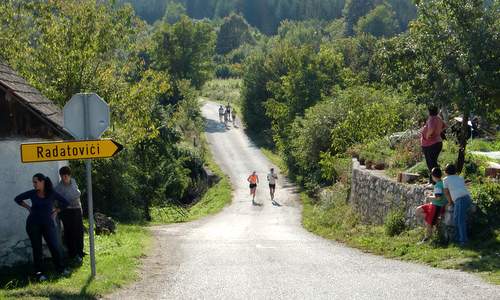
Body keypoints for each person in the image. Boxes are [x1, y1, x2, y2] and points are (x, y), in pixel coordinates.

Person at [14, 173, 70, 281]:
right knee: (37, 249)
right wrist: (28, 207)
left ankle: (60, 269)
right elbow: (17, 199)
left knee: (54, 246)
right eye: (33, 182)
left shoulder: (51, 193)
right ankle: (39, 274)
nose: (34, 184)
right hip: (33, 224)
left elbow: (65, 202)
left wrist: (56, 211)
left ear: (42, 181)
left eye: (35, 182)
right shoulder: (32, 193)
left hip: (48, 224)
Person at [55, 166, 85, 262]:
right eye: (63, 176)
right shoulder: (58, 188)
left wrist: (74, 196)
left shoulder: (73, 181)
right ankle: (72, 253)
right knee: (69, 232)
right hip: (66, 211)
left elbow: (77, 194)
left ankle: (80, 251)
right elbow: (61, 201)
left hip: (77, 209)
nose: (65, 178)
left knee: (79, 231)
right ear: (60, 176)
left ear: (69, 175)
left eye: (66, 176)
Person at [443, 164, 472, 246]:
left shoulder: (445, 179)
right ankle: (457, 238)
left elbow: (446, 192)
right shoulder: (460, 177)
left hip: (460, 200)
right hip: (466, 198)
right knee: (456, 219)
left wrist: (450, 202)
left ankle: (463, 241)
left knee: (460, 220)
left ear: (446, 172)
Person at [416, 167, 447, 243]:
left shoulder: (438, 185)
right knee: (418, 210)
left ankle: (426, 239)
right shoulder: (441, 183)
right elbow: (438, 195)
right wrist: (432, 195)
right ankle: (434, 220)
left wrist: (429, 196)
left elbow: (438, 198)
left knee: (429, 223)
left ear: (433, 176)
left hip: (437, 206)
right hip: (433, 204)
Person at [421, 105, 446, 184]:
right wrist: (438, 132)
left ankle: (434, 182)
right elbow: (445, 126)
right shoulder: (438, 118)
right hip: (437, 142)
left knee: (431, 163)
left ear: (429, 111)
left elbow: (431, 129)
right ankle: (434, 181)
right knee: (433, 162)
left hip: (430, 144)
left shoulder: (432, 119)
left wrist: (427, 136)